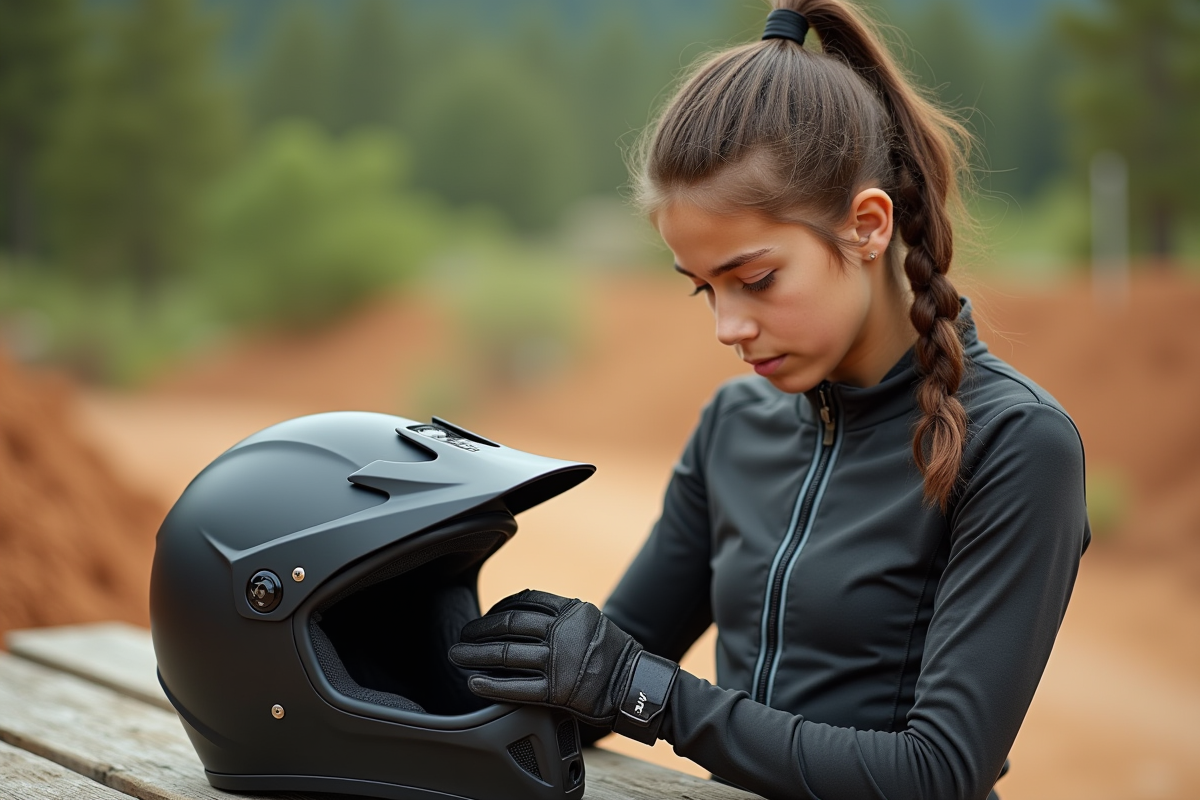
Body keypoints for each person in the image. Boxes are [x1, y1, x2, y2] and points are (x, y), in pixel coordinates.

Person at [449, 2, 1090, 799]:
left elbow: (936, 773)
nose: (728, 327)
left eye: (755, 279)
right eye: (704, 289)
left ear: (868, 226)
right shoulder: (733, 426)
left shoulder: (1017, 443)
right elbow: (599, 685)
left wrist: (653, 695)